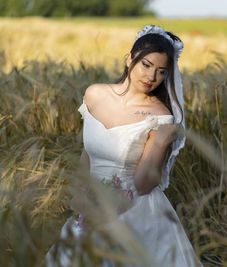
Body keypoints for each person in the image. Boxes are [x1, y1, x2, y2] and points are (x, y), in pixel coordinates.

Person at [45, 25, 203, 267]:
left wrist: (161, 141)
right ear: (130, 59)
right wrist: (79, 191)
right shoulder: (95, 95)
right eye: (146, 65)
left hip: (135, 213)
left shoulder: (160, 116)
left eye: (161, 71)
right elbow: (88, 151)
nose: (151, 77)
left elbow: (143, 184)